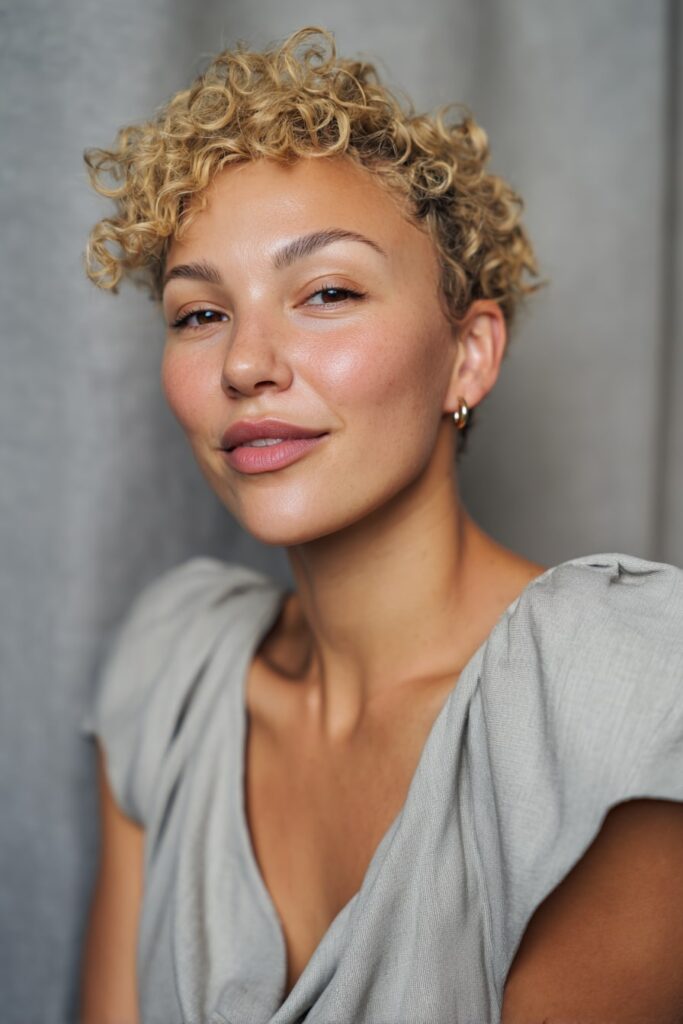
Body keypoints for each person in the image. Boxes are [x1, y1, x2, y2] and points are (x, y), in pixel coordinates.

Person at [78, 25, 683, 1024]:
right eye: (198, 313)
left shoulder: (613, 696)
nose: (244, 364)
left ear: (467, 355)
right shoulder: (171, 675)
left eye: (325, 292)